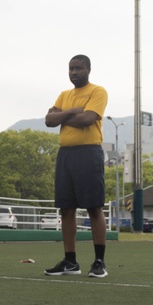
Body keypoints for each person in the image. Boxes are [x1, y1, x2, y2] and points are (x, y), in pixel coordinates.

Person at [43, 54, 109, 278]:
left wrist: (62, 116)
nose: (74, 72)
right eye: (71, 68)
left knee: (94, 207)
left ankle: (99, 261)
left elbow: (88, 119)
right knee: (67, 208)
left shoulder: (97, 91)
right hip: (66, 155)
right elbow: (49, 121)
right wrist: (72, 111)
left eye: (78, 68)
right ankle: (70, 261)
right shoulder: (64, 95)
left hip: (89, 153)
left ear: (88, 70)